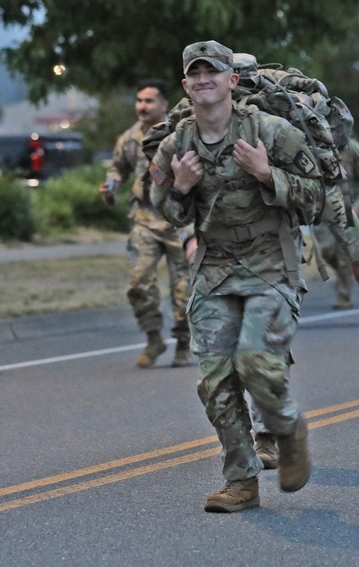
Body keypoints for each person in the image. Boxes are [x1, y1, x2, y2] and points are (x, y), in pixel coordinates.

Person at [148, 40, 317, 513]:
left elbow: (318, 198)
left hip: (270, 263)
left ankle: (286, 427)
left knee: (257, 363)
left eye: (212, 72)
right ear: (186, 85)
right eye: (195, 74)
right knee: (214, 380)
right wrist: (180, 186)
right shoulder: (175, 145)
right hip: (216, 267)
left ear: (232, 81)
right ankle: (241, 481)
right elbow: (165, 210)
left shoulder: (271, 132)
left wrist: (268, 175)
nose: (204, 80)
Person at [101, 79, 193, 368]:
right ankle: (154, 337)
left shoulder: (181, 133)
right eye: (139, 100)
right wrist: (111, 187)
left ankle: (183, 342)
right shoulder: (129, 139)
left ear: (164, 104)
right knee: (138, 282)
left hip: (178, 220)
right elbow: (117, 168)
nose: (142, 106)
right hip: (143, 219)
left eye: (149, 101)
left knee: (184, 289)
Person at [313, 136, 359, 309]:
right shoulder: (313, 146)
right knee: (327, 250)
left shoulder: (354, 150)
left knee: (343, 253)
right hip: (322, 207)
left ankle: (343, 295)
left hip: (348, 207)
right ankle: (344, 274)